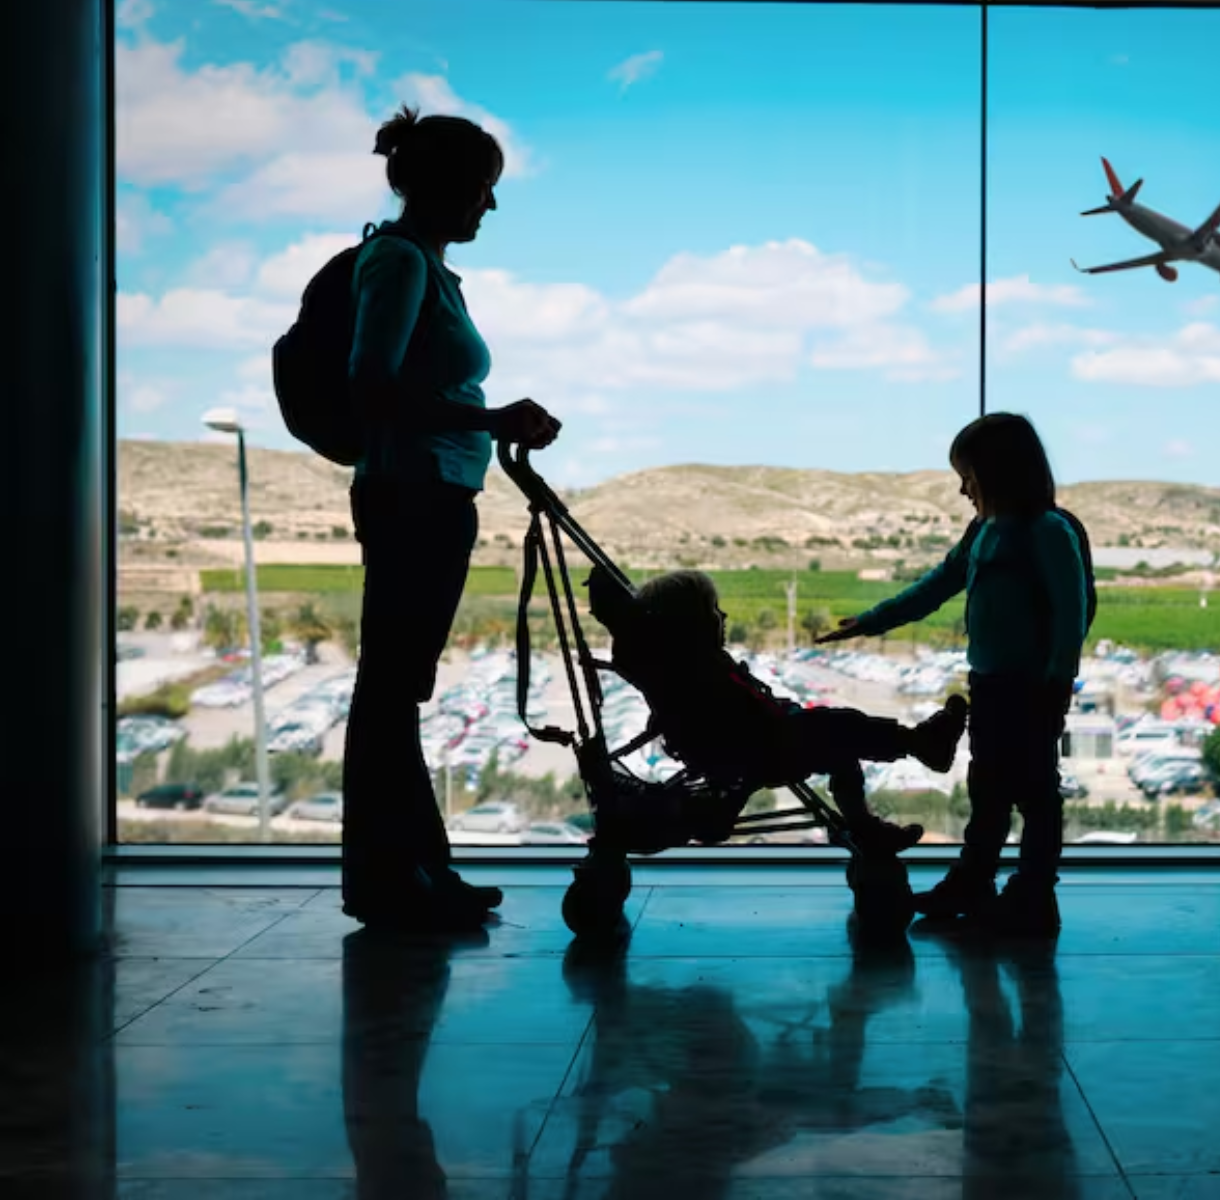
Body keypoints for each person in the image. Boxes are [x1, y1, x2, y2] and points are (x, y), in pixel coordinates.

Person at [341, 105, 563, 931]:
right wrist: (491, 418)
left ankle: (416, 869)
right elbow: (373, 386)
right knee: (390, 691)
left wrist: (488, 423)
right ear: (442, 187)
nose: (491, 207)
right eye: (483, 188)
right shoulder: (397, 262)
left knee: (397, 690)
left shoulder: (423, 267)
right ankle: (391, 878)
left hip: (430, 493)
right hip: (412, 495)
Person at [817, 413, 1091, 936]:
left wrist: (1055, 685)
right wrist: (870, 622)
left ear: (998, 471)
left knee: (1035, 794)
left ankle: (1032, 896)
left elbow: (1069, 616)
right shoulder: (983, 533)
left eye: (968, 474)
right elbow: (937, 584)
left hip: (1032, 691)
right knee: (988, 789)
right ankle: (976, 883)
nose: (962, 487)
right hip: (989, 685)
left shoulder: (1048, 532)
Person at [613, 570, 970, 856]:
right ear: (692, 625)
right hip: (762, 749)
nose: (723, 616)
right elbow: (743, 719)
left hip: (756, 746)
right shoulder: (702, 672)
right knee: (840, 726)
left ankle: (867, 824)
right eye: (713, 610)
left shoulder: (686, 671)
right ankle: (919, 745)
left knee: (840, 744)